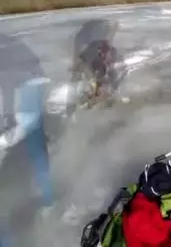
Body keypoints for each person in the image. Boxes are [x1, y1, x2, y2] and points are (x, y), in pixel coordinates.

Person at [0, 33, 53, 246]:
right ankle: (47, 198)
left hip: (30, 86)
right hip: (31, 84)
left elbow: (8, 81)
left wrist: (10, 114)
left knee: (35, 145)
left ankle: (47, 199)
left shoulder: (7, 48)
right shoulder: (8, 42)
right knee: (36, 146)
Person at [66, 19, 125, 115]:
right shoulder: (106, 70)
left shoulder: (101, 71)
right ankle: (70, 108)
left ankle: (71, 107)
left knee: (80, 68)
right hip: (92, 41)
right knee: (79, 69)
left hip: (92, 43)